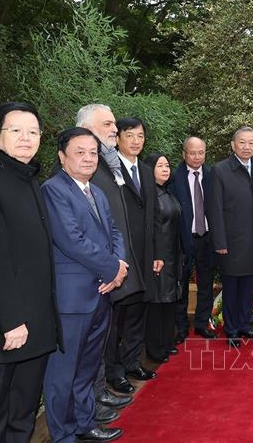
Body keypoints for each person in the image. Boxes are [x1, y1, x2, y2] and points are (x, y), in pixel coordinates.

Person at [0, 102, 60, 442]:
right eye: (16, 131)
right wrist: (10, 320)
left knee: (22, 415)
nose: (26, 138)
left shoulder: (29, 179)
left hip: (36, 325)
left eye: (33, 132)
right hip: (2, 330)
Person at [42, 127, 127, 443]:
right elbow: (71, 241)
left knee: (87, 368)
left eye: (93, 152)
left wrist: (118, 267)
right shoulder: (53, 190)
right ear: (62, 156)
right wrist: (112, 268)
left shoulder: (96, 192)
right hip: (72, 301)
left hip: (101, 294)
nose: (89, 158)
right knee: (63, 374)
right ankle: (63, 435)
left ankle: (84, 423)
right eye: (80, 152)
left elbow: (115, 234)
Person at [74, 105, 134, 413]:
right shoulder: (81, 172)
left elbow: (113, 224)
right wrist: (112, 266)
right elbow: (80, 235)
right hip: (89, 277)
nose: (115, 128)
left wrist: (119, 263)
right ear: (86, 128)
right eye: (107, 123)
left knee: (100, 342)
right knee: (86, 348)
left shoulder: (108, 164)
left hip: (110, 270)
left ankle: (99, 393)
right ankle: (90, 403)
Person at [102, 116, 162, 393]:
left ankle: (132, 361)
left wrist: (157, 252)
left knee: (139, 311)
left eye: (140, 136)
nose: (136, 141)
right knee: (118, 317)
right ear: (118, 139)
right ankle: (114, 372)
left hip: (146, 253)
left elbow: (154, 216)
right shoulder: (109, 172)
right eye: (130, 136)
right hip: (122, 256)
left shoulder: (147, 171)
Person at [207, 127, 253, 347]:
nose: (247, 147)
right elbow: (214, 209)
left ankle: (246, 325)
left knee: (249, 286)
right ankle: (232, 329)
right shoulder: (220, 170)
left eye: (251, 143)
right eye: (242, 143)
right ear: (233, 145)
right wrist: (220, 242)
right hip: (231, 242)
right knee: (232, 289)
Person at [168, 137, 216, 342]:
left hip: (207, 237)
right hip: (182, 239)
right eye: (192, 153)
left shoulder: (213, 175)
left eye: (201, 152)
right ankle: (180, 327)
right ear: (184, 154)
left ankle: (202, 323)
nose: (197, 157)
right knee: (182, 284)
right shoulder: (173, 177)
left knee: (206, 283)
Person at [144, 153, 183, 363]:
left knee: (169, 300)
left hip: (173, 254)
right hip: (157, 256)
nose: (165, 169)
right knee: (157, 302)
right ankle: (155, 349)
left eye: (167, 165)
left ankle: (167, 343)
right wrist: (154, 255)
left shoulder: (167, 193)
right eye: (160, 166)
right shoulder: (148, 196)